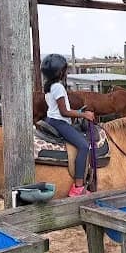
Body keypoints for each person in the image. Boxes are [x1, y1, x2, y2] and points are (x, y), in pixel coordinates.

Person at [41, 54, 96, 197]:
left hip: (51, 119)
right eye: (65, 69)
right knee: (83, 146)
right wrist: (84, 115)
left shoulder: (49, 87)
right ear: (60, 72)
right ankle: (78, 186)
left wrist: (77, 111)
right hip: (59, 122)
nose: (66, 72)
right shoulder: (58, 87)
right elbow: (64, 112)